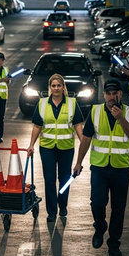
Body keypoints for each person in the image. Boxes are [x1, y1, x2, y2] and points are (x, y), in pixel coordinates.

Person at [73, 79, 129, 256]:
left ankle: (114, 243)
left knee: (118, 208)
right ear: (104, 95)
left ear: (120, 94)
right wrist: (78, 163)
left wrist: (121, 119)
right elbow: (86, 139)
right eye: (108, 93)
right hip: (100, 167)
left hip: (120, 168)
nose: (111, 97)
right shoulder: (95, 111)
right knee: (97, 202)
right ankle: (100, 226)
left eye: (114, 93)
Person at [27, 73, 84, 222]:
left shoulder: (72, 103)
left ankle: (63, 204)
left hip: (66, 148)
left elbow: (78, 125)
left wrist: (84, 143)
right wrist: (31, 145)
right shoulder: (42, 103)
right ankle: (51, 211)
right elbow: (37, 126)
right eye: (53, 86)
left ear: (63, 87)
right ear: (50, 88)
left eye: (59, 85)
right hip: (47, 148)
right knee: (49, 180)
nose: (56, 88)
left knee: (65, 179)